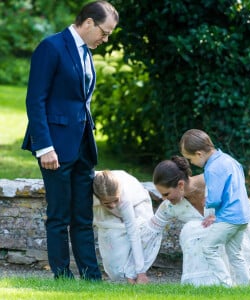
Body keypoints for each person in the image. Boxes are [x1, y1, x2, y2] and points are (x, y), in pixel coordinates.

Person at [21, 1, 119, 280]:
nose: (106, 38)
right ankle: (62, 276)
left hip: (83, 146)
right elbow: (35, 101)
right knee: (59, 215)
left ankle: (92, 277)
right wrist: (44, 147)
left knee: (83, 217)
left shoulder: (86, 52)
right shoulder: (51, 48)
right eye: (105, 32)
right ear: (88, 22)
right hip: (55, 147)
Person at [151, 156, 250, 286]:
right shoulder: (169, 206)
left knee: (214, 231)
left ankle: (228, 283)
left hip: (237, 232)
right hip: (210, 244)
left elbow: (245, 209)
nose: (164, 199)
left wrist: (223, 217)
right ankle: (203, 284)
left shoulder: (214, 180)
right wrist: (138, 271)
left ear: (180, 185)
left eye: (166, 194)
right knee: (192, 229)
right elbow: (150, 232)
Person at [179, 128, 250, 286]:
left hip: (229, 218)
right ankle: (249, 286)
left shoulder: (212, 168)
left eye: (190, 159)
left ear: (199, 154)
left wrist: (207, 202)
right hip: (243, 217)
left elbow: (215, 198)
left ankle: (226, 284)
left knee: (208, 248)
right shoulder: (229, 160)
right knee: (235, 254)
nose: (191, 163)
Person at [92, 170, 159, 284]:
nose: (113, 205)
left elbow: (133, 233)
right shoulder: (91, 194)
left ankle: (134, 273)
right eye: (108, 203)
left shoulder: (125, 196)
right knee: (116, 273)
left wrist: (140, 272)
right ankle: (124, 275)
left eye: (115, 200)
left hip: (137, 207)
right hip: (104, 211)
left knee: (143, 234)